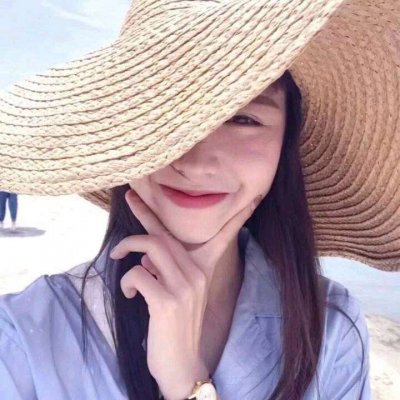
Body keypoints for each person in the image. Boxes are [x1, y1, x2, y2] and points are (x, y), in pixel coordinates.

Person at [0, 0, 399, 399]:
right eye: (166, 113)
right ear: (124, 131)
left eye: (243, 118)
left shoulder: (330, 331)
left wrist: (187, 384)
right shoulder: (23, 338)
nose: (195, 162)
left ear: (286, 144)